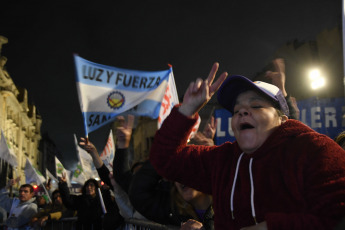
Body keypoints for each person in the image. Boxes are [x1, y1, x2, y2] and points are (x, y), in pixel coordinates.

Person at [149, 62, 345, 230]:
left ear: (282, 119)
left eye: (256, 106)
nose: (242, 112)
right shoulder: (223, 161)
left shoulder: (315, 150)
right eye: (236, 110)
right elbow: (164, 159)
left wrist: (271, 226)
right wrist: (187, 109)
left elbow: (338, 217)